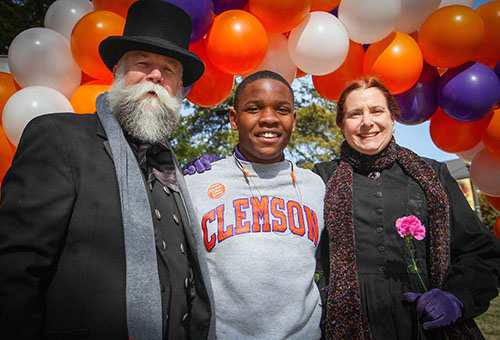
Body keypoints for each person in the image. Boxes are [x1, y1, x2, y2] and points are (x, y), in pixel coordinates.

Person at [0, 1, 215, 339]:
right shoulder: (58, 137)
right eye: (142, 64)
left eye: (168, 70)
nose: (156, 75)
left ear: (179, 90)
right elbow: (14, 270)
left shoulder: (171, 170)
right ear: (117, 73)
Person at [313, 77, 500, 339]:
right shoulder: (320, 180)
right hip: (346, 323)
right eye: (355, 114)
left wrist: (456, 297)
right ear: (341, 125)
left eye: (377, 111)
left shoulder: (434, 175)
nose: (367, 122)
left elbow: (480, 251)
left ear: (392, 118)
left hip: (425, 325)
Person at [184, 70, 325, 339]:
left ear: (293, 121)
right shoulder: (197, 182)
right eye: (254, 108)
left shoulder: (316, 187)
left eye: (282, 109)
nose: (269, 119)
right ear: (234, 119)